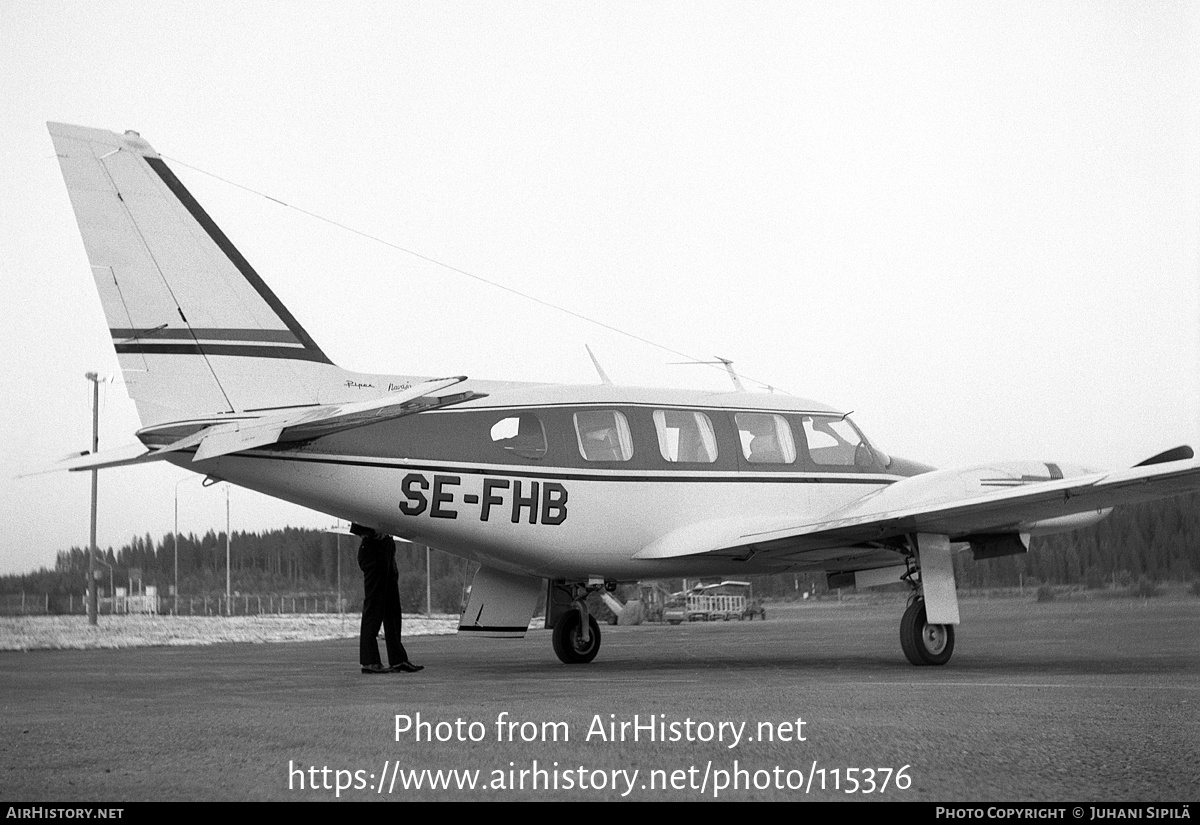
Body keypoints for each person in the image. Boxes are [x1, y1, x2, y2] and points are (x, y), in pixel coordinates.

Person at [357, 528, 423, 674]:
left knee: (392, 608)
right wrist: (372, 533)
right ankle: (370, 661)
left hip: (386, 548)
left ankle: (398, 659)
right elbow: (357, 523)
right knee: (374, 607)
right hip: (374, 548)